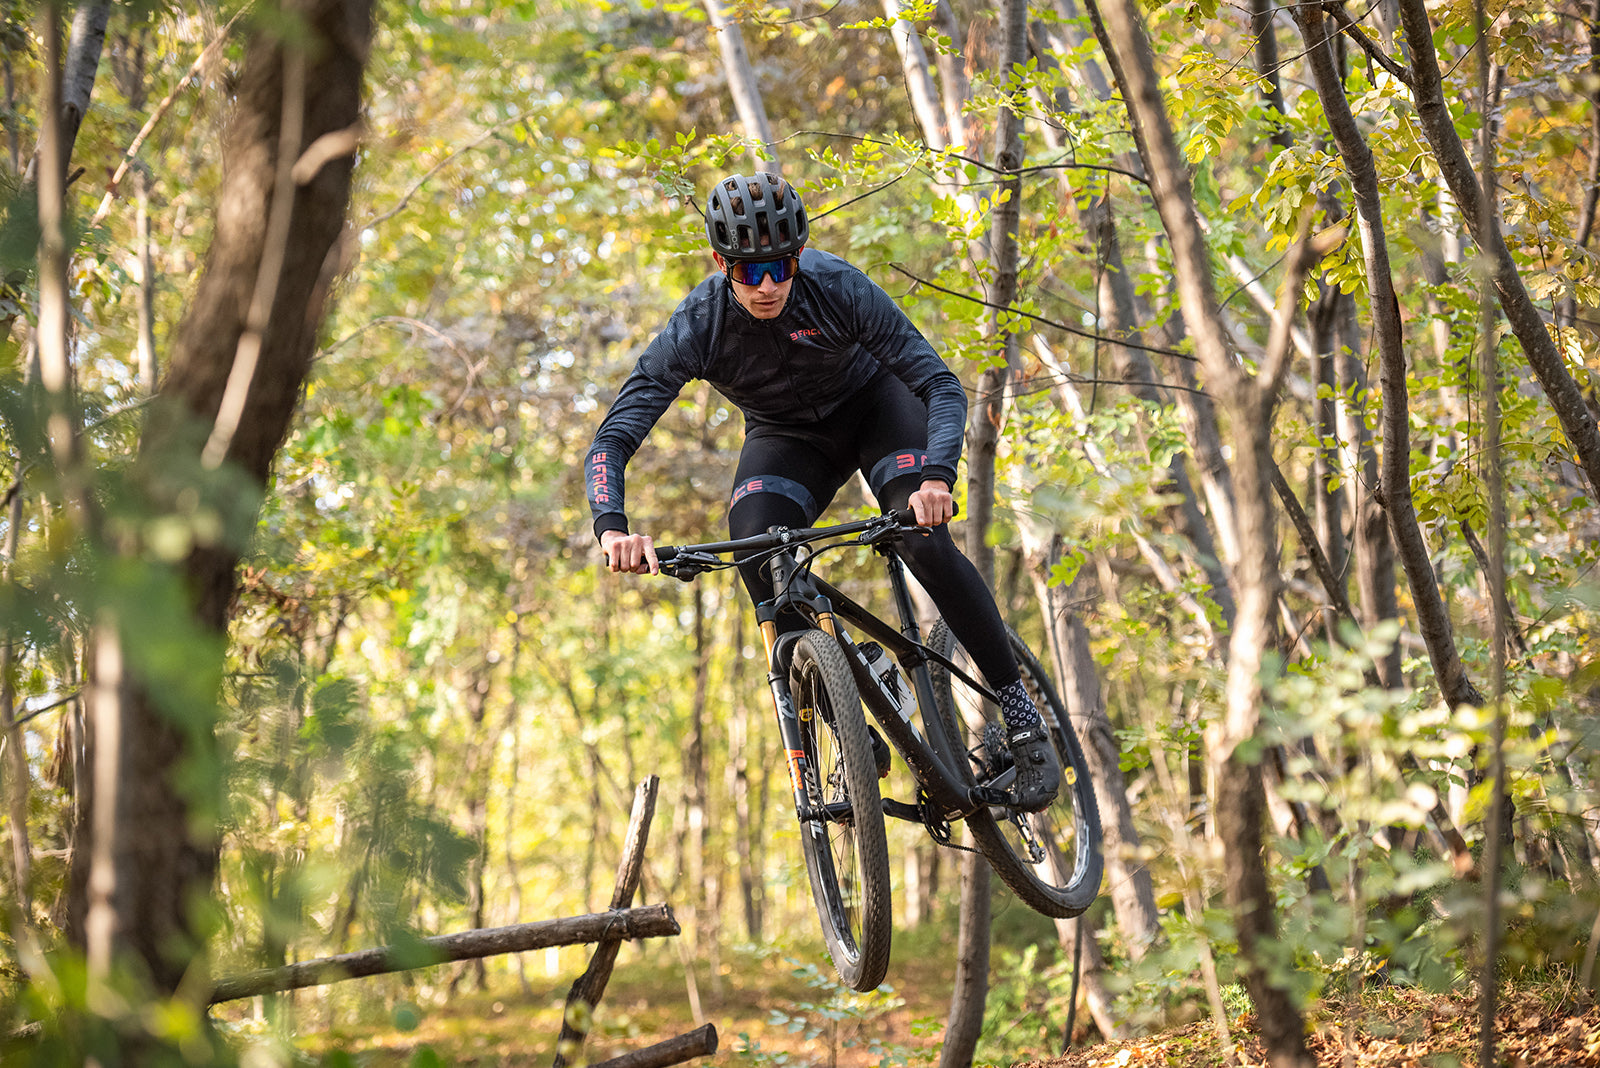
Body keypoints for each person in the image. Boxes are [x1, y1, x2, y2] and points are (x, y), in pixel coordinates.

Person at [583, 171, 1060, 811]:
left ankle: (1018, 705)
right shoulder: (699, 324)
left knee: (920, 541)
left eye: (780, 266)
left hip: (877, 410)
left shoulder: (836, 287)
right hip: (786, 439)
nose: (768, 286)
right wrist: (612, 526)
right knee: (752, 547)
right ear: (721, 263)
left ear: (799, 255)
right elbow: (614, 437)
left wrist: (936, 477)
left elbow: (941, 387)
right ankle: (844, 712)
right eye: (750, 272)